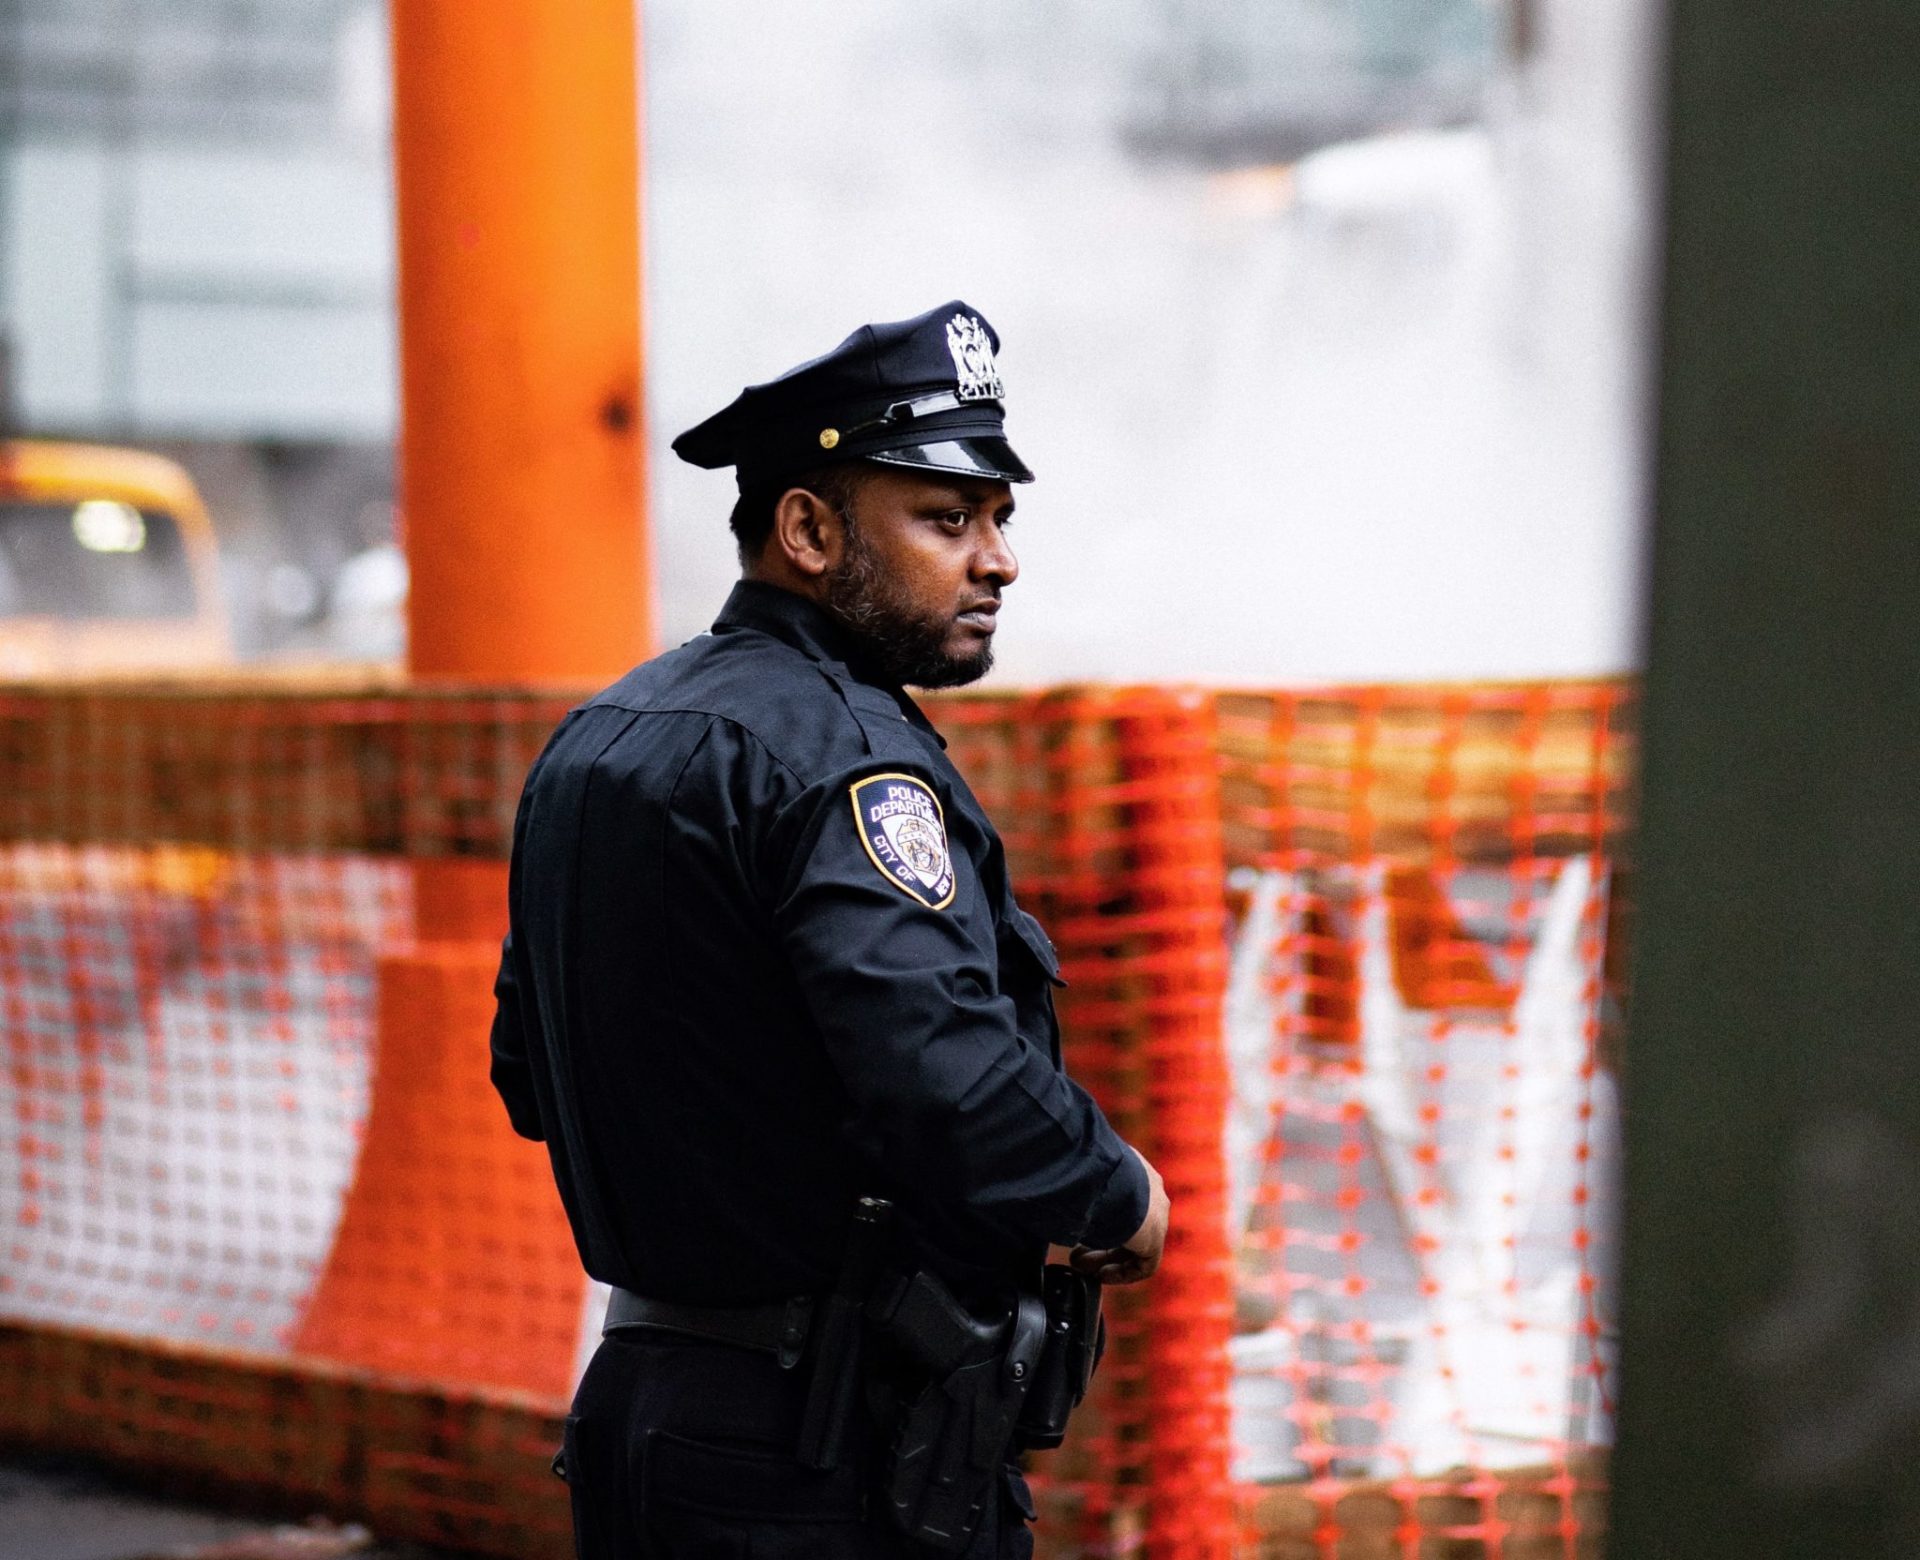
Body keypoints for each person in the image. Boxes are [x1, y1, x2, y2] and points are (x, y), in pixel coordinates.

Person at [489, 301, 1170, 1559]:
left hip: (646, 1418)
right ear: (806, 529)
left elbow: (529, 1076)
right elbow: (948, 1077)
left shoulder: (597, 738)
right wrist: (1119, 1193)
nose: (999, 560)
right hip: (825, 1450)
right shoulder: (850, 762)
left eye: (1000, 520)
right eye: (947, 519)